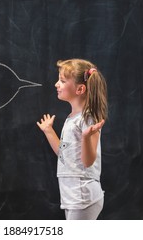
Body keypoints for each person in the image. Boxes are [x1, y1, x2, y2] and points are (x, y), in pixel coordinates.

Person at [37, 59, 108, 220]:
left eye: (62, 81)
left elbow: (88, 161)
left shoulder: (88, 118)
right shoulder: (72, 118)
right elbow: (65, 155)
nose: (56, 84)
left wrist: (86, 137)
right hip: (73, 197)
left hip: (82, 196)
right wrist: (49, 131)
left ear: (80, 89)